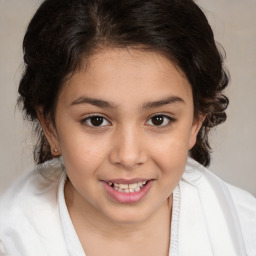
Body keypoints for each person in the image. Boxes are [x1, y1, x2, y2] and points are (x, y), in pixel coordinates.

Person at [0, 0, 255, 255]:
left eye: (158, 119)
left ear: (196, 121)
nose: (129, 156)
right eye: (96, 120)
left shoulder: (245, 229)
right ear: (50, 126)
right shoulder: (9, 241)